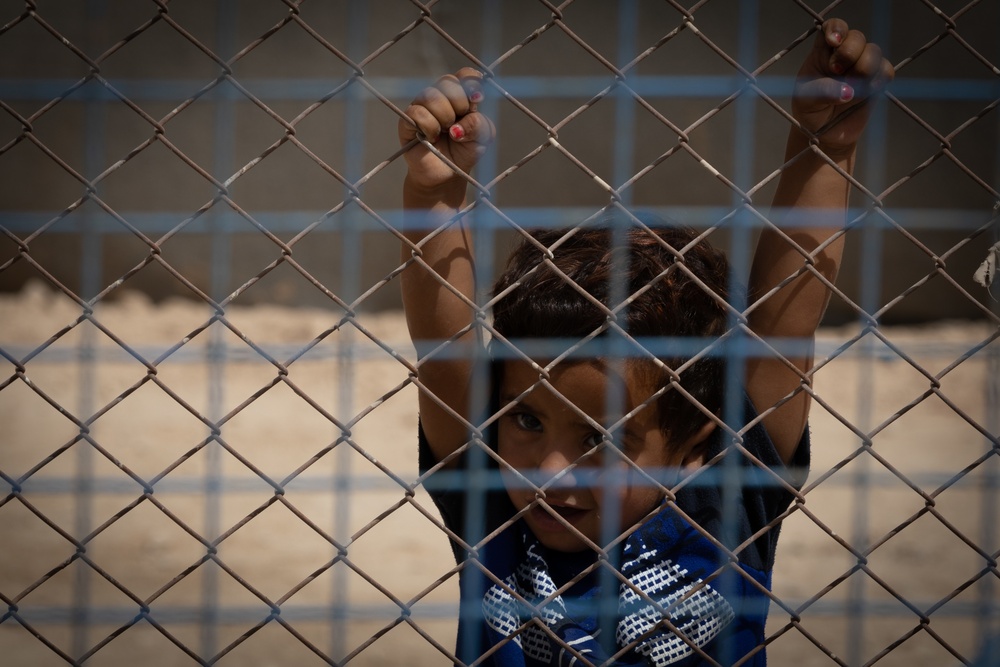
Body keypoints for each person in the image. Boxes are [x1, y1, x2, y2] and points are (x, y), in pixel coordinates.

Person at [397, 18, 893, 667]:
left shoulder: (724, 502)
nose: (550, 472)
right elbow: (447, 349)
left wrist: (823, 146)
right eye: (525, 417)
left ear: (692, 447)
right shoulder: (494, 506)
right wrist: (435, 195)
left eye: (602, 438)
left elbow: (785, 322)